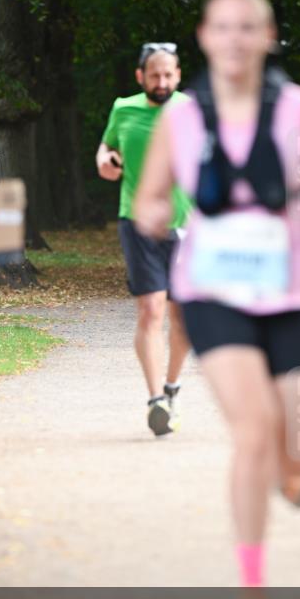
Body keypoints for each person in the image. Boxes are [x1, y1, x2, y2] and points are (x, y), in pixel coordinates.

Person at [134, 0, 300, 589]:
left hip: (287, 290)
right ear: (205, 37)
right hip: (211, 291)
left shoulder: (295, 108)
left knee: (298, 443)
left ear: (267, 37)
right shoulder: (182, 116)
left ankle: (294, 472)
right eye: (222, 27)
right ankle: (252, 583)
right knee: (253, 432)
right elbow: (150, 199)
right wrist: (152, 216)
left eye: (248, 27)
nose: (234, 38)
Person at [96, 44, 191, 436]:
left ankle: (171, 388)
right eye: (154, 75)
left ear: (178, 75)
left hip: (187, 225)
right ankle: (155, 400)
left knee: (183, 319)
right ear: (141, 76)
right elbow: (107, 147)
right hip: (137, 222)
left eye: (168, 75)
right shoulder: (124, 108)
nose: (162, 82)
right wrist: (103, 159)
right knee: (151, 310)